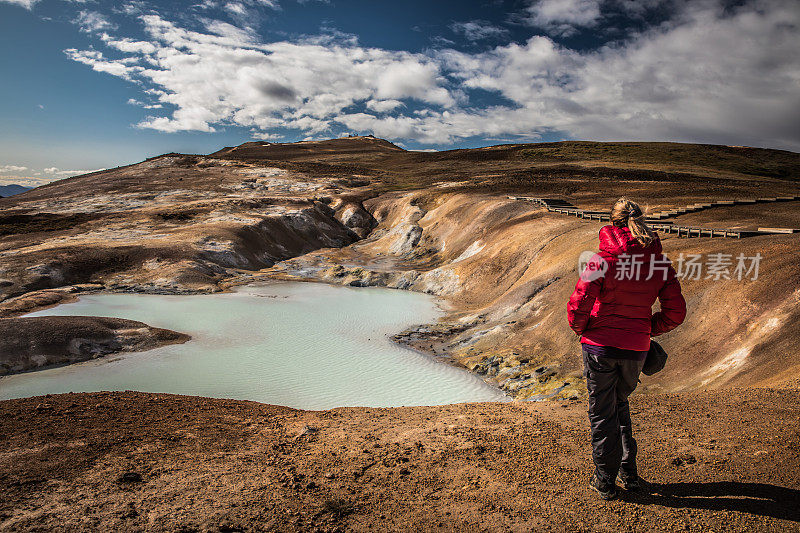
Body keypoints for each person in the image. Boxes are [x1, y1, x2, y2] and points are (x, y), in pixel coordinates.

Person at [567, 197, 686, 500]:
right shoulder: (660, 264)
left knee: (602, 412)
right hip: (635, 350)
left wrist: (584, 330)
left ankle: (605, 481)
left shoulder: (601, 261)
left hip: (600, 348)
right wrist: (646, 329)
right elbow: (675, 313)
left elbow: (579, 304)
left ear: (613, 223)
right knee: (620, 405)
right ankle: (628, 473)